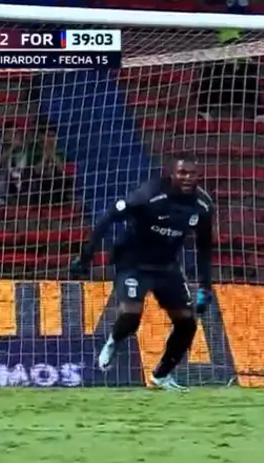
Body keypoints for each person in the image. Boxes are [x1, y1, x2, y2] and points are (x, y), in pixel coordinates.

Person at [70, 157, 214, 391]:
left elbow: (205, 246)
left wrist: (205, 286)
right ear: (171, 174)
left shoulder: (203, 205)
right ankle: (115, 340)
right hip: (132, 262)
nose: (188, 178)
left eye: (192, 174)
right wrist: (86, 256)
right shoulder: (149, 194)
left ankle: (162, 376)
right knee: (131, 315)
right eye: (182, 173)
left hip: (167, 267)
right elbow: (108, 218)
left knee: (187, 323)